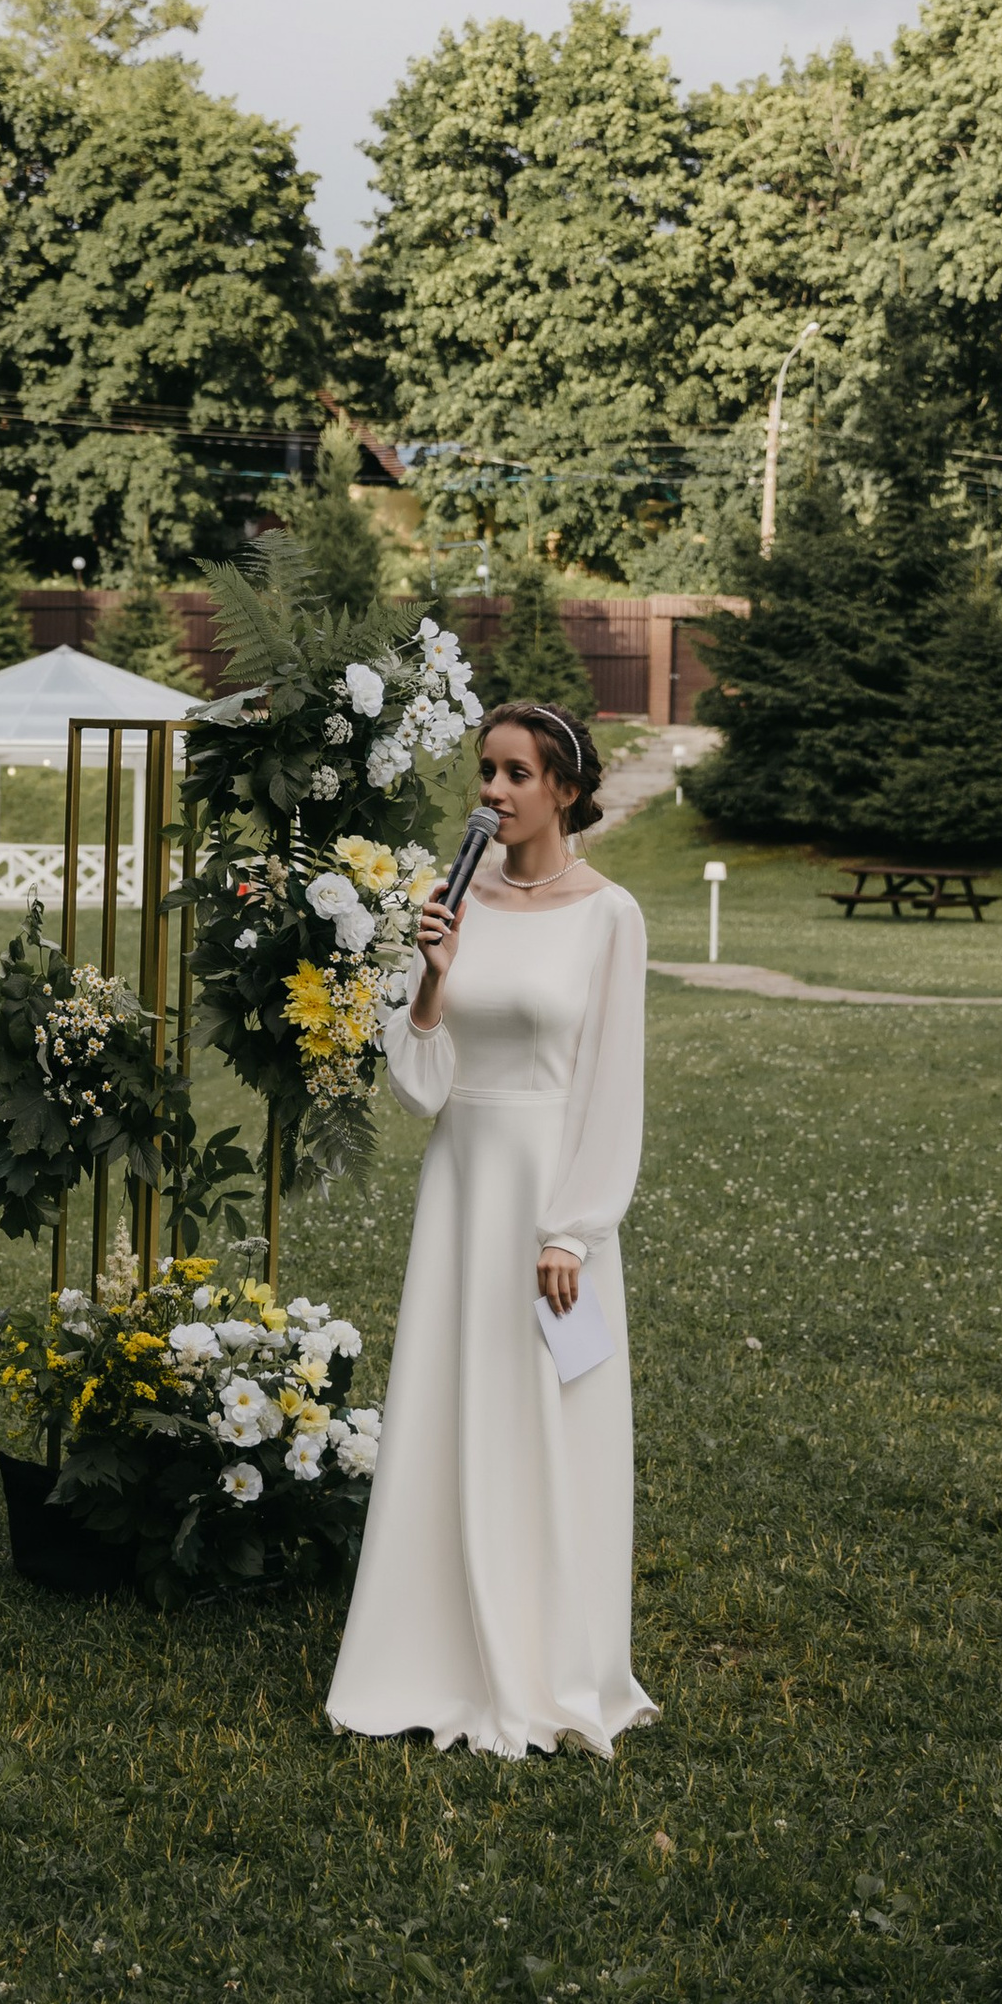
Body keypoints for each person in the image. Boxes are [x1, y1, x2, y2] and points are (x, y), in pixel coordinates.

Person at [325, 697, 657, 1759]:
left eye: (516, 774)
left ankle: (550, 1655)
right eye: (486, 773)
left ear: (564, 788)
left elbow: (613, 1085)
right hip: (462, 1185)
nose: (494, 793)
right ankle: (432, 1652)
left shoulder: (610, 916)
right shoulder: (446, 900)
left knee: (550, 1419)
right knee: (448, 1407)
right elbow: (421, 1082)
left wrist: (574, 1229)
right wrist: (428, 975)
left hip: (551, 1196)